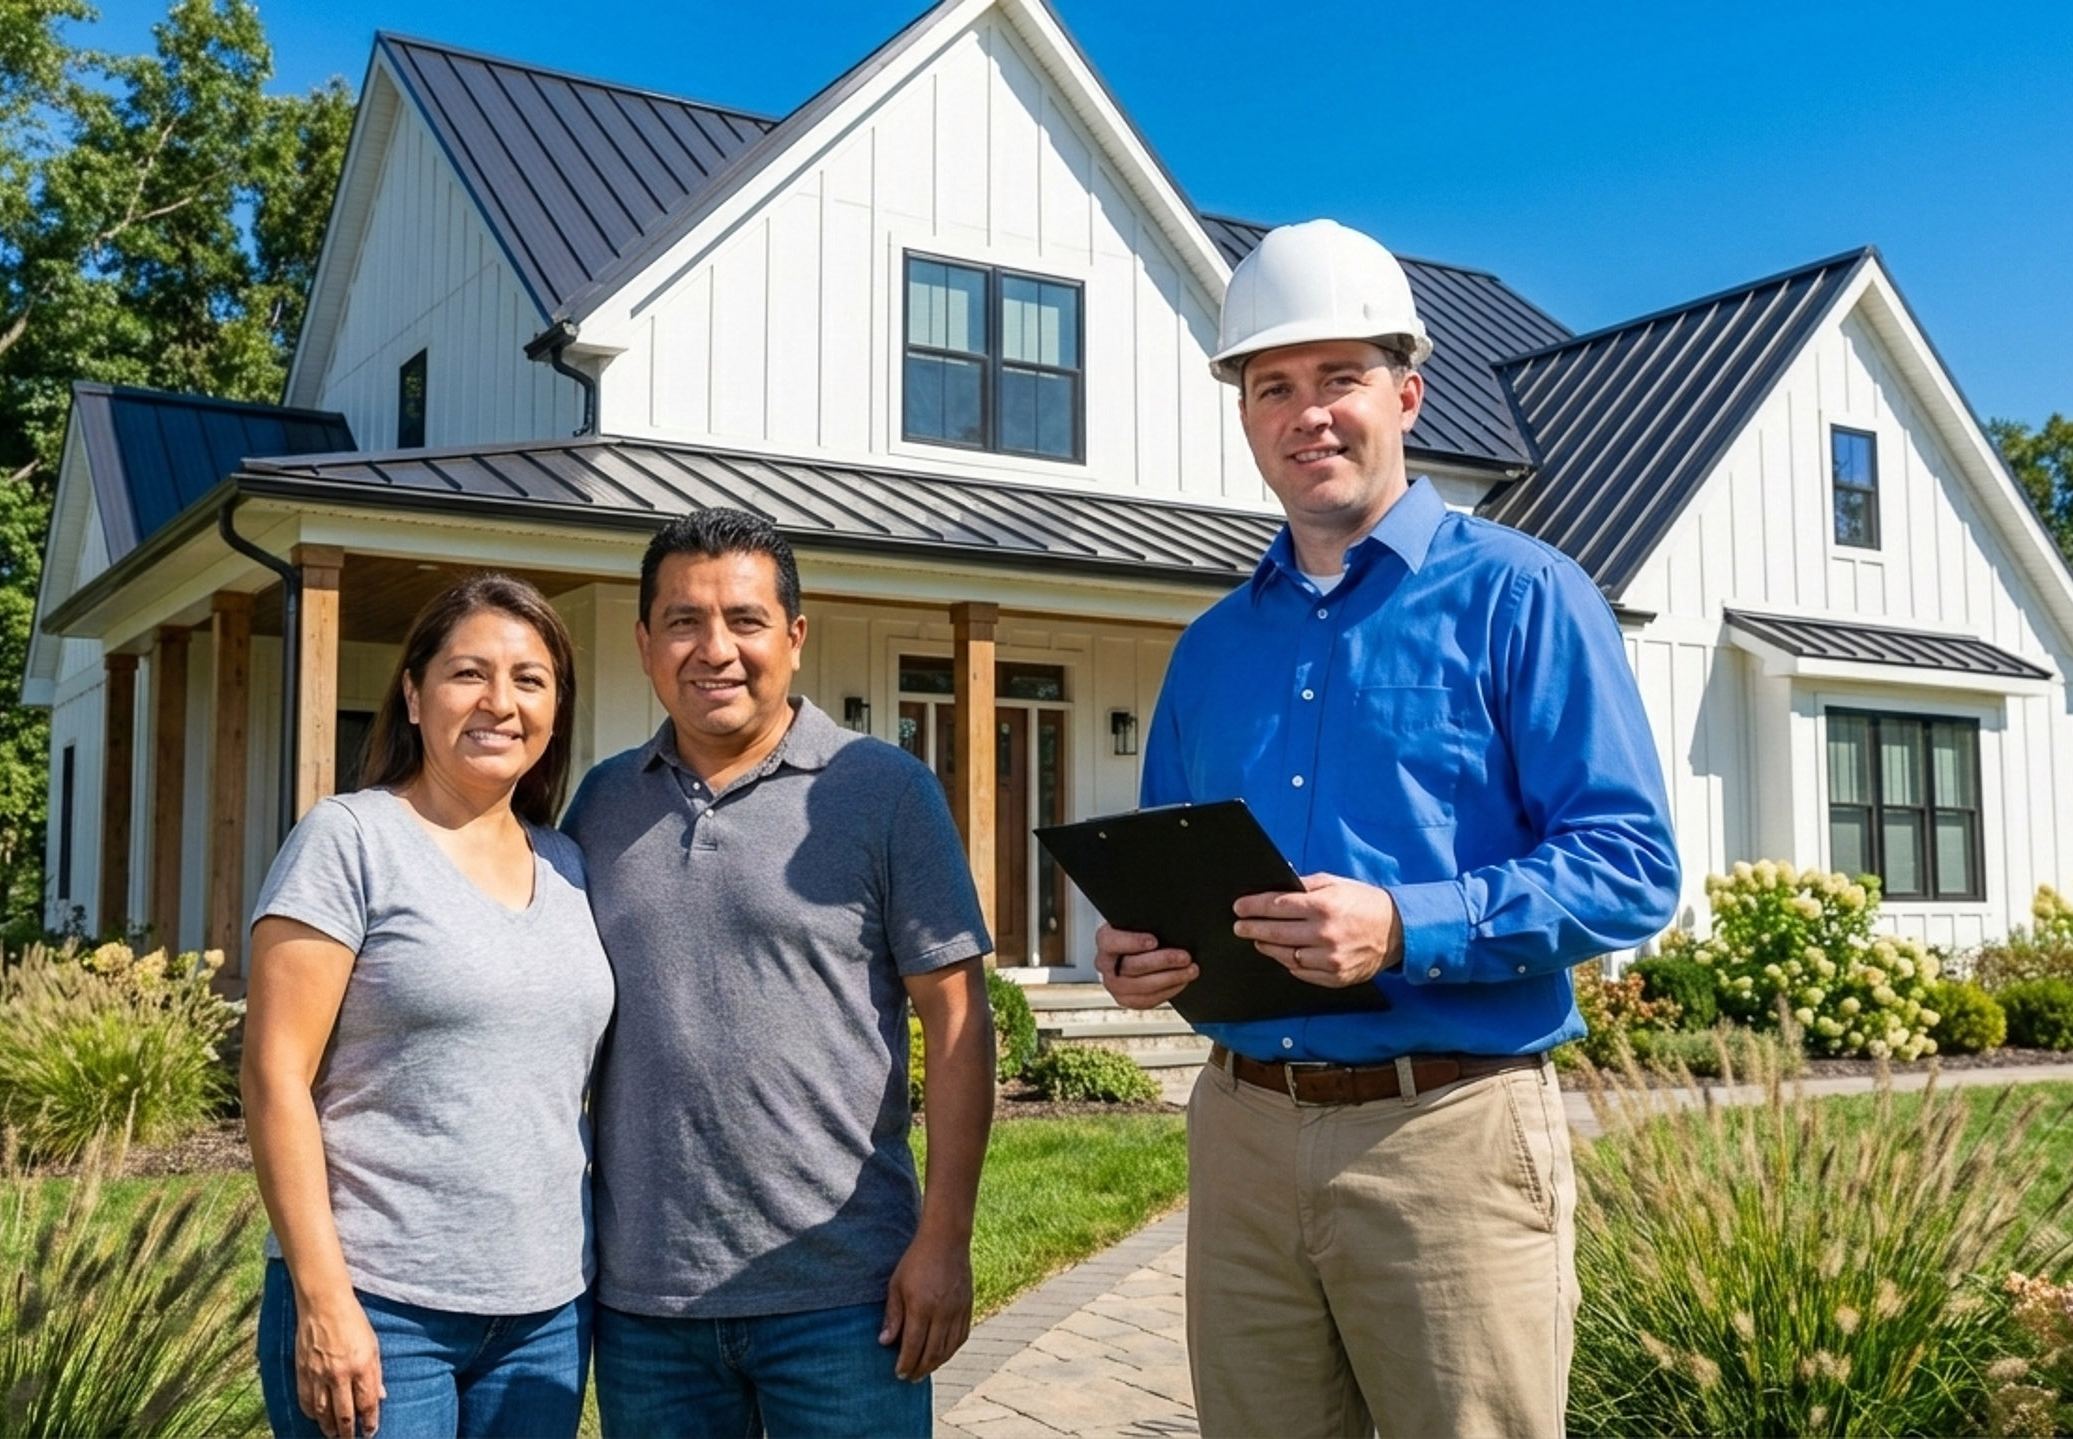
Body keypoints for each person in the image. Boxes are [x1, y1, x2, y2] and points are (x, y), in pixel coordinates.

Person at [1097, 219, 1681, 1439]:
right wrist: (1142, 955)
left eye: (1339, 379)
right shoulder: (1210, 651)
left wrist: (1406, 923)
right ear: (1246, 414)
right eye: (1274, 387)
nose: (1308, 414)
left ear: (1407, 393)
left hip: (1448, 1136)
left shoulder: (1524, 598)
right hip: (1244, 1136)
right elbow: (1175, 862)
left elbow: (1629, 866)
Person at [563, 507, 995, 1439]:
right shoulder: (600, 804)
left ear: (794, 638)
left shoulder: (882, 790)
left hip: (845, 1296)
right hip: (649, 1308)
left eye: (745, 620)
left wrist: (946, 1239)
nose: (713, 647)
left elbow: (959, 1020)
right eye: (682, 620)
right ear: (644, 643)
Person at [242, 572, 616, 1439]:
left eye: (530, 679)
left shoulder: (569, 864)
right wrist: (324, 1301)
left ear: (557, 709)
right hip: (380, 1305)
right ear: (413, 693)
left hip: (548, 1312)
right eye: (467, 673)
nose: (500, 701)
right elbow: (273, 1076)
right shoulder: (350, 839)